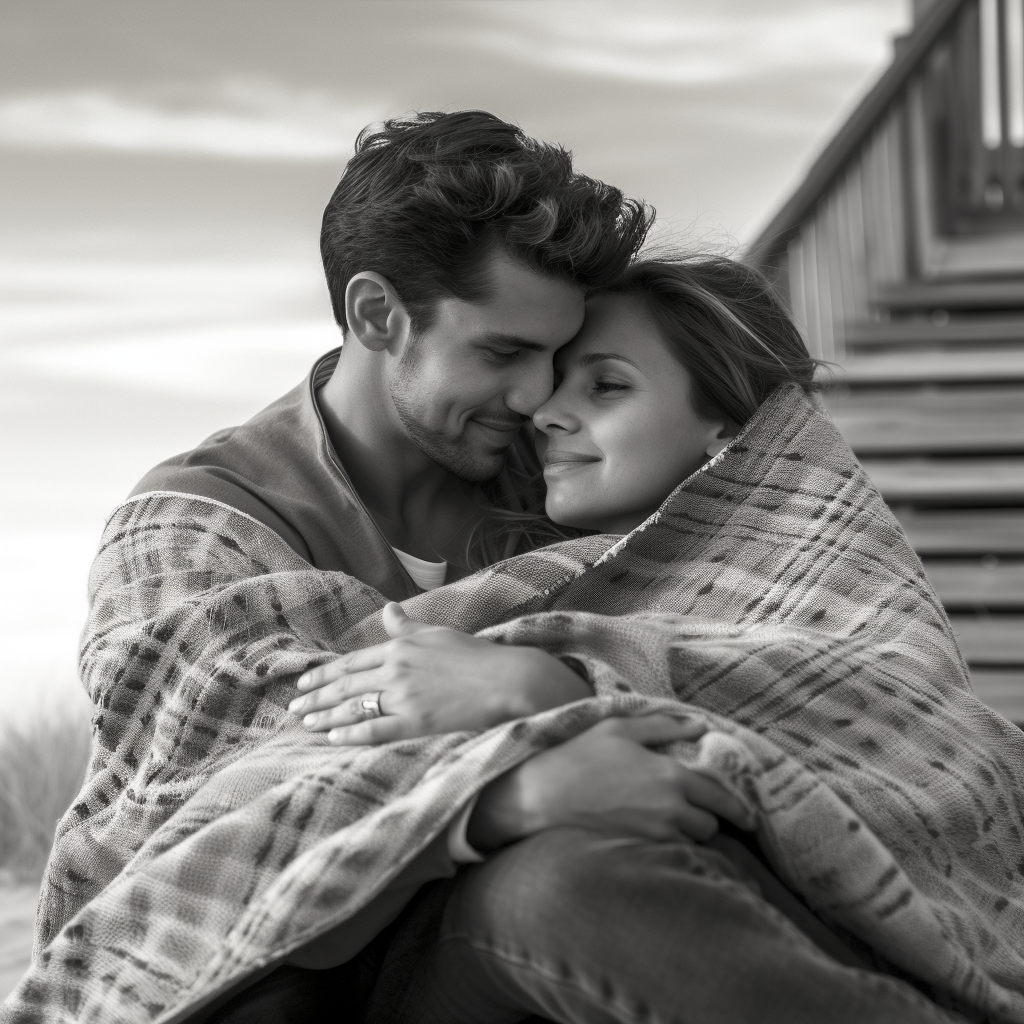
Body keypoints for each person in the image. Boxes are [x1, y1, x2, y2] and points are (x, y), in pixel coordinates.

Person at [200, 259, 957, 1024]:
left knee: (555, 884)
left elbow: (899, 752)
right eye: (550, 377)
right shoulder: (505, 584)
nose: (543, 411)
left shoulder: (824, 579)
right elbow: (271, 773)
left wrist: (550, 691)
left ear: (734, 429)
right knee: (547, 886)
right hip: (420, 956)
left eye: (606, 386)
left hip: (735, 921)